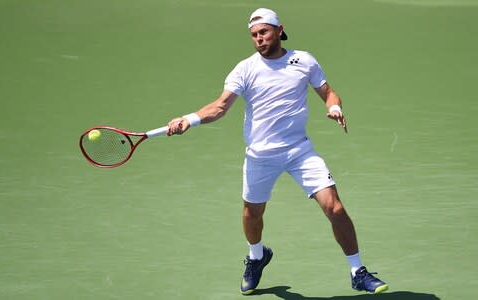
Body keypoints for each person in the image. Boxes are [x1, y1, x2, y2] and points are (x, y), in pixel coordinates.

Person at [166, 7, 388, 295]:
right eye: (254, 35)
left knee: (335, 207)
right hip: (260, 155)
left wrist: (333, 107)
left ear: (279, 30)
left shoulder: (303, 61)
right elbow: (220, 106)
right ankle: (256, 257)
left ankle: (357, 271)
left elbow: (328, 91)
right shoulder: (245, 69)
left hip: (299, 150)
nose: (259, 39)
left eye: (264, 32)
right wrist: (189, 119)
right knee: (252, 215)